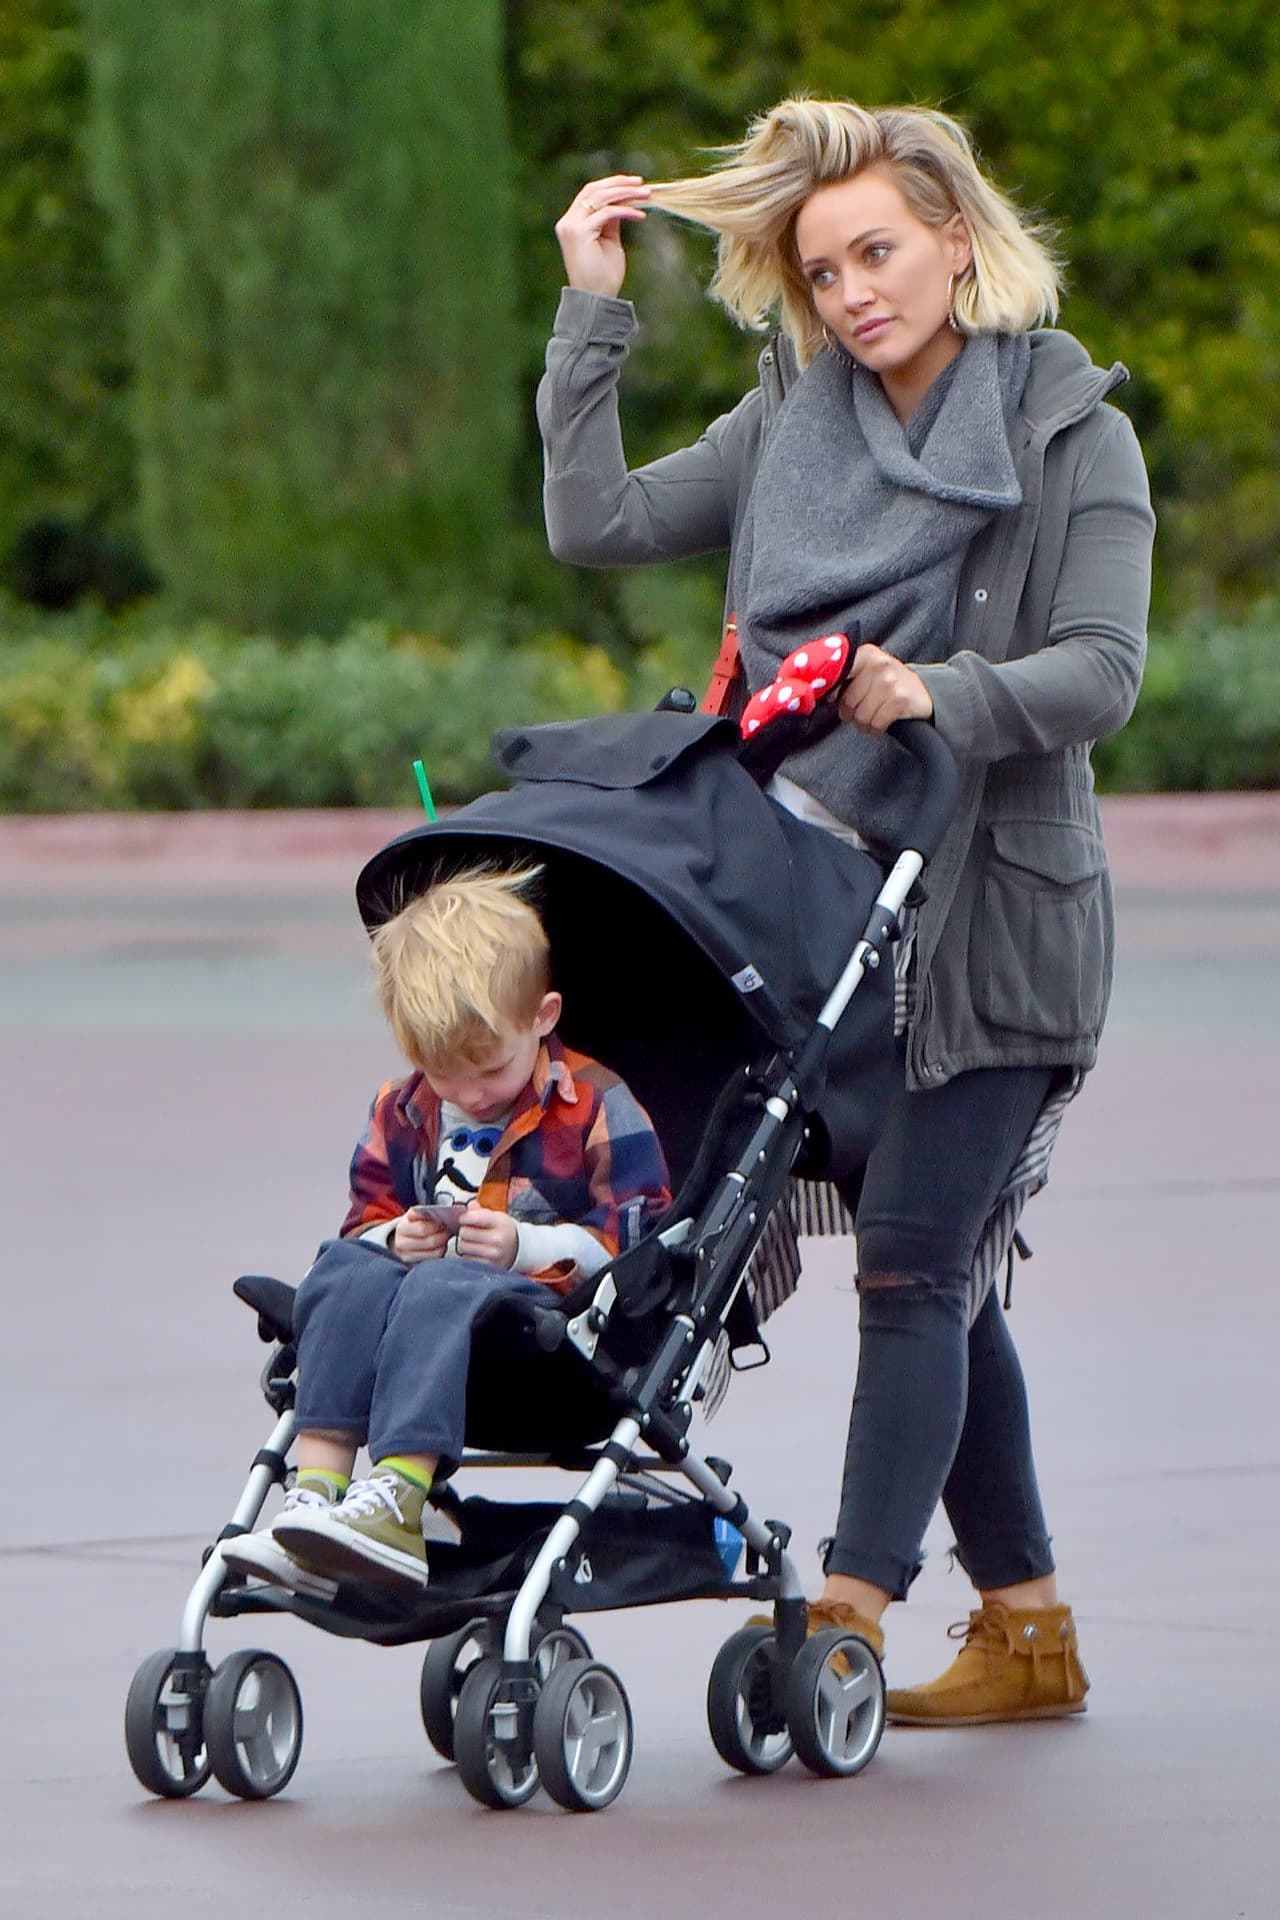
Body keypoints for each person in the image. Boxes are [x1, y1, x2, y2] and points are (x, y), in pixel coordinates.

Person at [538, 100, 1154, 1723]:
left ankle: (853, 1622)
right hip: (822, 923)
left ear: (958, 237)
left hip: (994, 925)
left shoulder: (1069, 428)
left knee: (910, 1266)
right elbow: (591, 523)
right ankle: (1028, 1634)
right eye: (823, 271)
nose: (854, 293)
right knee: (938, 1270)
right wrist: (591, 308)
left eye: (878, 251)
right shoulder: (789, 419)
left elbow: (1104, 668)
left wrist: (937, 690)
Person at [223, 866, 671, 1596]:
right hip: (410, 1322)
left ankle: (398, 1496)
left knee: (441, 1283)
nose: (467, 1094)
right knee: (342, 1265)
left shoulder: (595, 1105)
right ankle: (317, 1493)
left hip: (541, 1338)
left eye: (488, 1071)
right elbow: (364, 1217)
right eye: (440, 1073)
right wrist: (395, 1236)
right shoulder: (403, 1109)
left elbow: (634, 1248)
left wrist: (526, 1246)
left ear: (543, 1016)